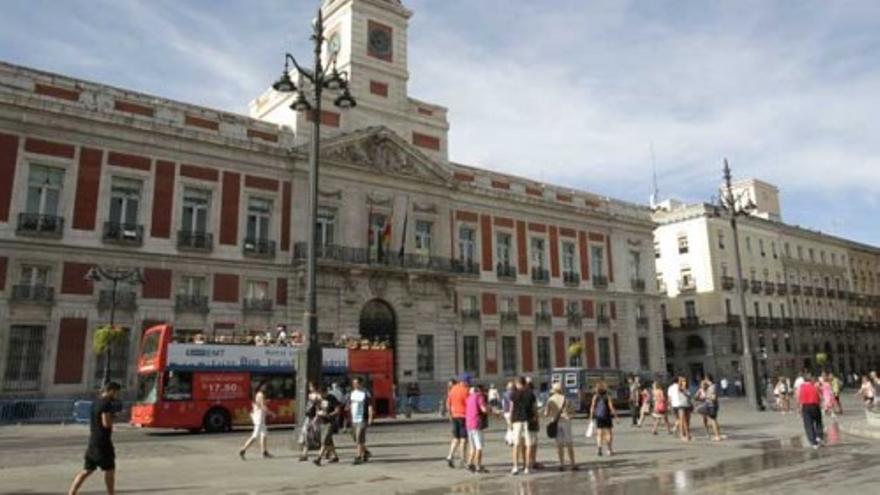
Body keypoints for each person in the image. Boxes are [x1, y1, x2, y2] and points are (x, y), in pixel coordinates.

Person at [68, 382, 122, 495]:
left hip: (93, 440)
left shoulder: (95, 402)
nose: (117, 395)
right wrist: (115, 417)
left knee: (86, 470)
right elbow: (106, 423)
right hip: (103, 442)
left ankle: (71, 492)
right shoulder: (106, 404)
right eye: (116, 392)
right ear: (111, 390)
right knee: (110, 470)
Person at [239, 382, 276, 460]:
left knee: (264, 434)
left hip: (260, 419)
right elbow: (262, 406)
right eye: (266, 388)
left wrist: (266, 402)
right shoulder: (260, 395)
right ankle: (243, 449)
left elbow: (259, 404)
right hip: (259, 419)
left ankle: (264, 452)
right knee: (255, 436)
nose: (266, 390)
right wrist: (271, 413)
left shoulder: (258, 394)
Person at [544, 382, 576, 471]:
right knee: (569, 443)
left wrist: (551, 413)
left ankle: (561, 464)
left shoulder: (550, 400)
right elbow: (573, 411)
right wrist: (569, 415)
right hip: (566, 421)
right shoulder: (566, 399)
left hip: (556, 422)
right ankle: (573, 463)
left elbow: (546, 414)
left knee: (559, 444)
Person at [509, 376, 537, 475]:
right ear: (525, 384)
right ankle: (527, 467)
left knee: (516, 444)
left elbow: (511, 409)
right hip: (527, 420)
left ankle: (515, 466)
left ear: (517, 384)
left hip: (516, 421)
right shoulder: (531, 394)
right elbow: (534, 408)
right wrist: (536, 418)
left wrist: (510, 422)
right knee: (528, 444)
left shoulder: (513, 394)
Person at [445, 375, 470, 468]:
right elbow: (469, 404)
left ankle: (450, 456)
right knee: (464, 439)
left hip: (454, 416)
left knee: (455, 438)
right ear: (465, 381)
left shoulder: (453, 389)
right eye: (468, 381)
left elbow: (448, 403)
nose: (469, 383)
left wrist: (450, 414)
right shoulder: (466, 390)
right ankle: (463, 459)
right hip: (464, 416)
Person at [313, 385, 341, 466]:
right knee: (329, 441)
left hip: (330, 422)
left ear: (326, 392)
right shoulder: (319, 399)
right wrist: (317, 415)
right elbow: (317, 408)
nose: (321, 396)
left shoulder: (332, 398)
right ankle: (335, 457)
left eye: (322, 394)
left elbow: (337, 410)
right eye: (320, 394)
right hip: (322, 422)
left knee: (324, 441)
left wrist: (329, 414)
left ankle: (318, 458)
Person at [590, 381, 619, 456]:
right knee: (608, 433)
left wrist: (591, 417)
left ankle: (599, 448)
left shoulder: (595, 397)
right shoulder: (607, 396)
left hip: (599, 417)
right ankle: (609, 449)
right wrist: (616, 416)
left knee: (599, 434)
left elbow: (592, 407)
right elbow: (611, 407)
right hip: (607, 416)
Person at [349, 377, 374, 465]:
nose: (354, 385)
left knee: (359, 438)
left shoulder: (365, 393)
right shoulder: (352, 393)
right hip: (354, 419)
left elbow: (370, 406)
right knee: (355, 438)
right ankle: (366, 452)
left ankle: (358, 456)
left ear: (360, 384)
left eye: (356, 383)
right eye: (353, 383)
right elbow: (350, 404)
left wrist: (370, 417)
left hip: (362, 418)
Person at [465, 385, 489, 473]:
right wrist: (490, 409)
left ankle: (469, 463)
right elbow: (484, 409)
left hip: (468, 424)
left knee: (472, 447)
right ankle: (478, 466)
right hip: (477, 424)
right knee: (479, 447)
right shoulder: (480, 397)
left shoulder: (469, 398)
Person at [798, 374, 824, 449]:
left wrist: (799, 409)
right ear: (810, 380)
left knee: (808, 424)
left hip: (806, 406)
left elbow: (799, 398)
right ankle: (819, 436)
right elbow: (820, 396)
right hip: (815, 405)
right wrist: (820, 404)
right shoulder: (814, 386)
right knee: (818, 421)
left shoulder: (801, 387)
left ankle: (814, 442)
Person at [695, 375, 723, 441]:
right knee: (714, 420)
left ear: (708, 380)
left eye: (705, 380)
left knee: (712, 420)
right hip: (712, 405)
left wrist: (705, 397)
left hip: (711, 405)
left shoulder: (712, 387)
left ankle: (717, 436)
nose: (705, 381)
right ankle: (718, 435)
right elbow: (696, 397)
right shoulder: (711, 386)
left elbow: (713, 397)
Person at [298, 382, 321, 462]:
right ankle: (305, 454)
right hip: (308, 417)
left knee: (317, 436)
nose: (309, 388)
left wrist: (316, 417)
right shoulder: (310, 395)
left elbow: (318, 407)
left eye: (311, 386)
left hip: (314, 418)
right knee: (305, 434)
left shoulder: (318, 396)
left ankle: (328, 450)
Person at [677, 376, 693, 442]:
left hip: (688, 405)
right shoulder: (680, 388)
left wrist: (691, 404)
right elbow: (680, 389)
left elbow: (689, 397)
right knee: (683, 420)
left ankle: (687, 434)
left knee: (687, 421)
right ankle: (684, 435)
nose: (685, 383)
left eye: (685, 381)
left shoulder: (687, 388)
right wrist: (680, 380)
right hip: (682, 406)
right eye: (683, 381)